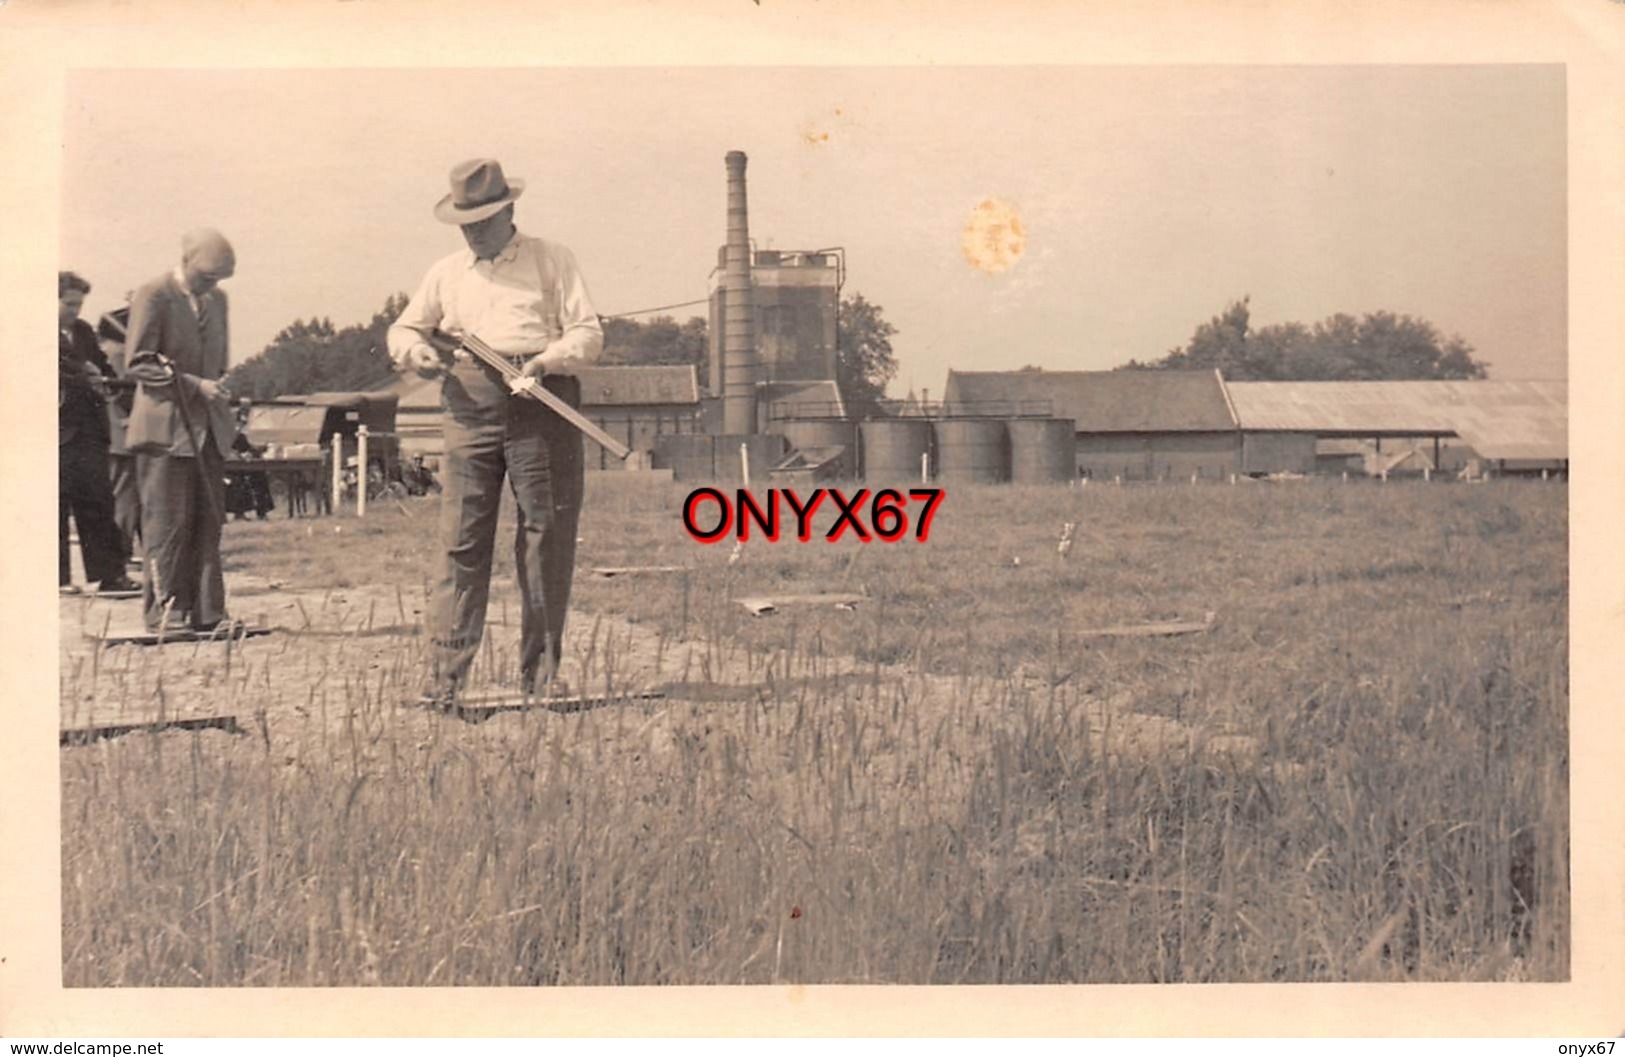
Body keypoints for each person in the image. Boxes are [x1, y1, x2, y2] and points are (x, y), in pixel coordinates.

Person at [388, 158, 603, 706]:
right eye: (465, 221)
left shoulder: (552, 258)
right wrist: (416, 354)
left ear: (509, 209)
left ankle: (542, 679)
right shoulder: (445, 272)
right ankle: (444, 679)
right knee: (460, 541)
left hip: (541, 402)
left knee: (544, 538)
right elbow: (406, 326)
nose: (473, 231)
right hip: (469, 404)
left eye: (483, 219)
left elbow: (587, 333)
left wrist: (548, 360)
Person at [123, 229, 239, 633]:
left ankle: (209, 612)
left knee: (209, 518)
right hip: (165, 431)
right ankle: (166, 613)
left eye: (219, 279)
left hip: (208, 428)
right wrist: (193, 385)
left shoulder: (219, 300)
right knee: (166, 522)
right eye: (207, 277)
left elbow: (217, 362)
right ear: (186, 261)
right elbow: (138, 363)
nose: (213, 286)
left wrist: (220, 384)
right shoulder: (153, 294)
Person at [58, 271, 138, 596]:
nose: (76, 310)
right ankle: (57, 579)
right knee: (55, 506)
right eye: (69, 303)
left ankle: (110, 575)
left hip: (90, 430)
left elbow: (102, 367)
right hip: (56, 432)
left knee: (99, 502)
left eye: (80, 304)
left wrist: (103, 377)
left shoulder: (84, 331)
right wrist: (85, 374)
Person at [96, 304, 142, 563]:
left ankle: (120, 552)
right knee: (125, 495)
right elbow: (125, 392)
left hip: (113, 430)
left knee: (122, 494)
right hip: (123, 430)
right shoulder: (121, 353)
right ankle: (120, 553)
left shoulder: (106, 350)